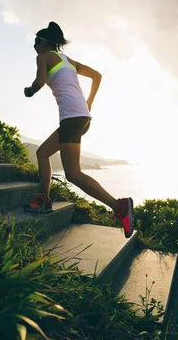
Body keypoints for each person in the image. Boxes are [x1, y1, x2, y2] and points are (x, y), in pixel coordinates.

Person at [23, 22, 133, 238]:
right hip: (81, 116)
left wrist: (28, 91)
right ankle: (44, 200)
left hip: (72, 118)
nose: (34, 47)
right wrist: (89, 101)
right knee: (42, 153)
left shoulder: (43, 57)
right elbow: (97, 75)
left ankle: (118, 206)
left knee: (73, 173)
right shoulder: (68, 61)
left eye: (36, 43)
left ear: (44, 42)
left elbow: (39, 83)